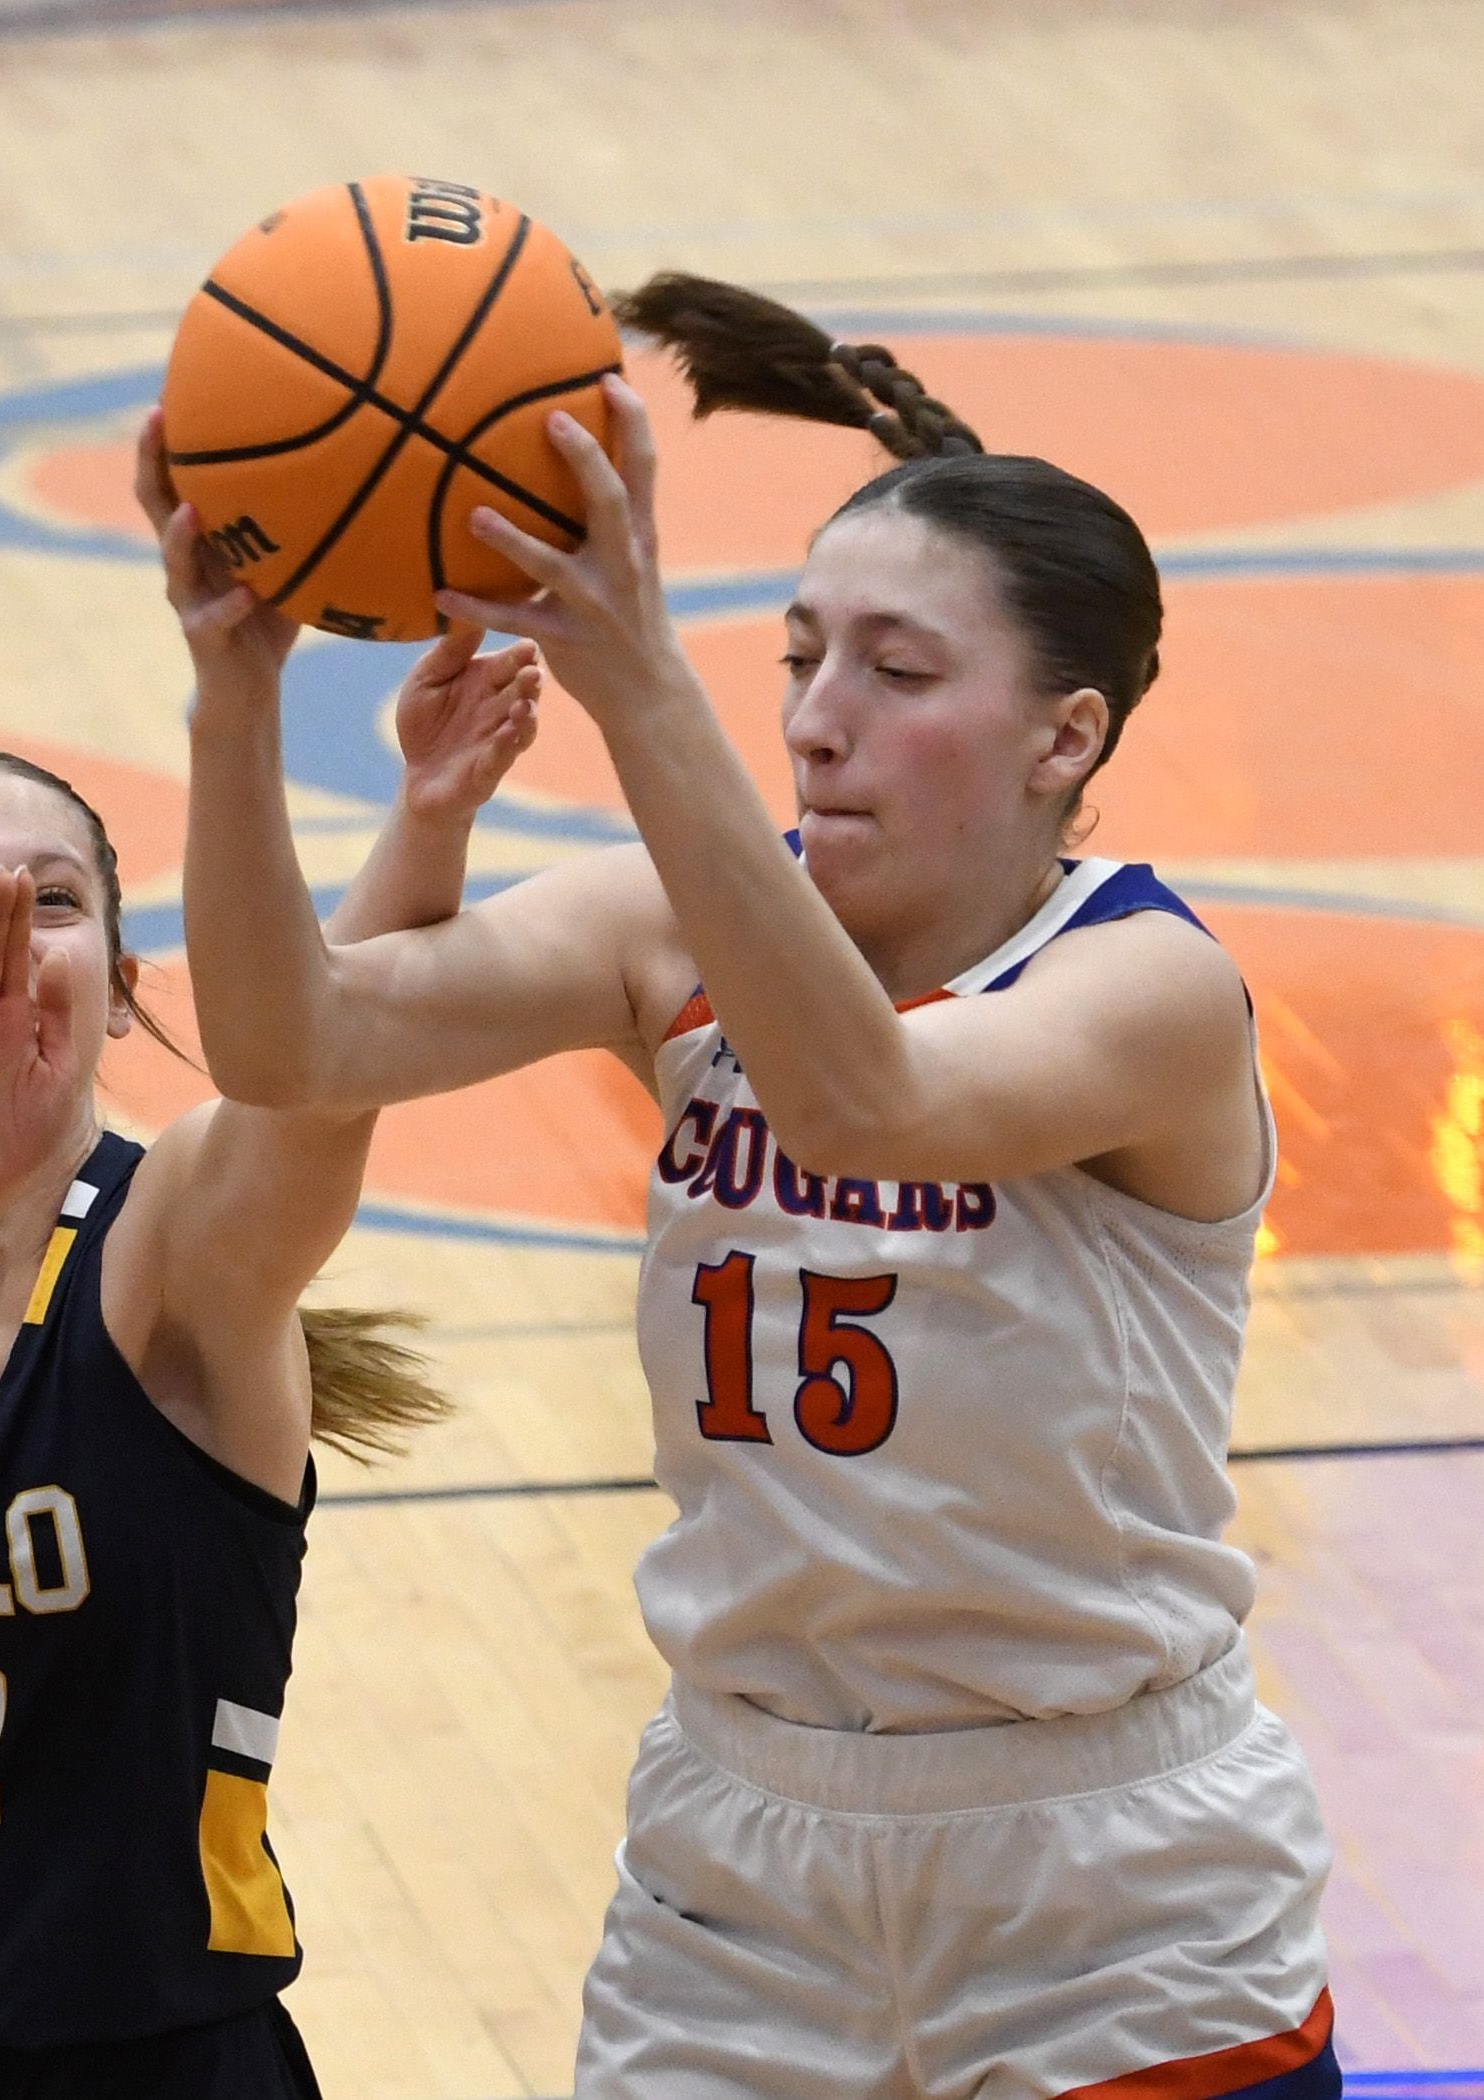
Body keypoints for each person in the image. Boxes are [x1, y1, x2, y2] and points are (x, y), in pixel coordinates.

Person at [153, 277, 1338, 2098]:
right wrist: (235, 702)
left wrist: (636, 685)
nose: (815, 720)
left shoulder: (1146, 992)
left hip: (1107, 1878)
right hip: (743, 1857)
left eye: (899, 671)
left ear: (1068, 740)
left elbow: (869, 1099)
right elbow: (284, 1042)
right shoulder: (662, 928)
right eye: (796, 658)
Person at [0, 625, 540, 2100]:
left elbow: (315, 1083)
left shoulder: (176, 1246)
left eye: (49, 897)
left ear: (124, 988)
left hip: (167, 2064)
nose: (1, 925)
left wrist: (422, 820)